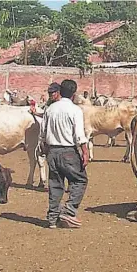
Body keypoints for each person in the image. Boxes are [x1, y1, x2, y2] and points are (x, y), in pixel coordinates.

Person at [39, 79, 89, 229]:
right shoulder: (75, 110)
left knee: (55, 184)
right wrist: (85, 152)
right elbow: (79, 134)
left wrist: (44, 148)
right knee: (80, 180)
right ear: (73, 94)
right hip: (68, 151)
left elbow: (43, 132)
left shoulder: (50, 109)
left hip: (52, 151)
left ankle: (52, 219)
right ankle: (68, 211)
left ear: (60, 92)